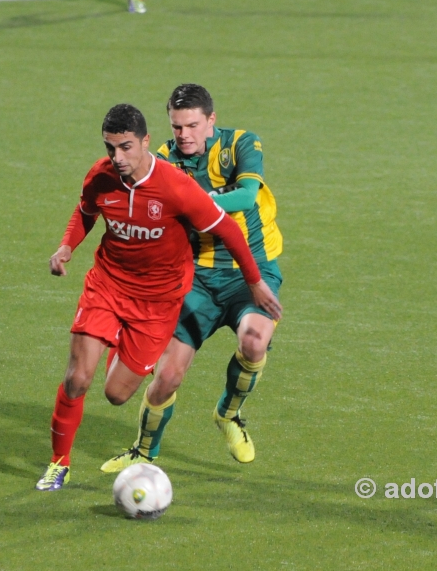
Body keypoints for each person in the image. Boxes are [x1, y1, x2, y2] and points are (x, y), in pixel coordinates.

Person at [36, 103, 281, 491]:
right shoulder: (101, 176)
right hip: (109, 285)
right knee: (78, 378)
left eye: (126, 147)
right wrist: (66, 247)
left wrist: (255, 282)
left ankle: (226, 413)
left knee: (116, 395)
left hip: (157, 302)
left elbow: (231, 230)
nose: (117, 157)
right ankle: (58, 464)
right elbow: (85, 211)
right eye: (110, 147)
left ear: (145, 142)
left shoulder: (176, 186)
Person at [101, 84, 284, 472]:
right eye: (176, 126)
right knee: (167, 374)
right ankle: (144, 452)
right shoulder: (163, 159)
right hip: (195, 278)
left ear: (211, 121)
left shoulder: (240, 145)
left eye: (192, 125)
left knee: (255, 341)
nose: (184, 134)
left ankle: (228, 415)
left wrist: (194, 200)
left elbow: (247, 196)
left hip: (248, 271)